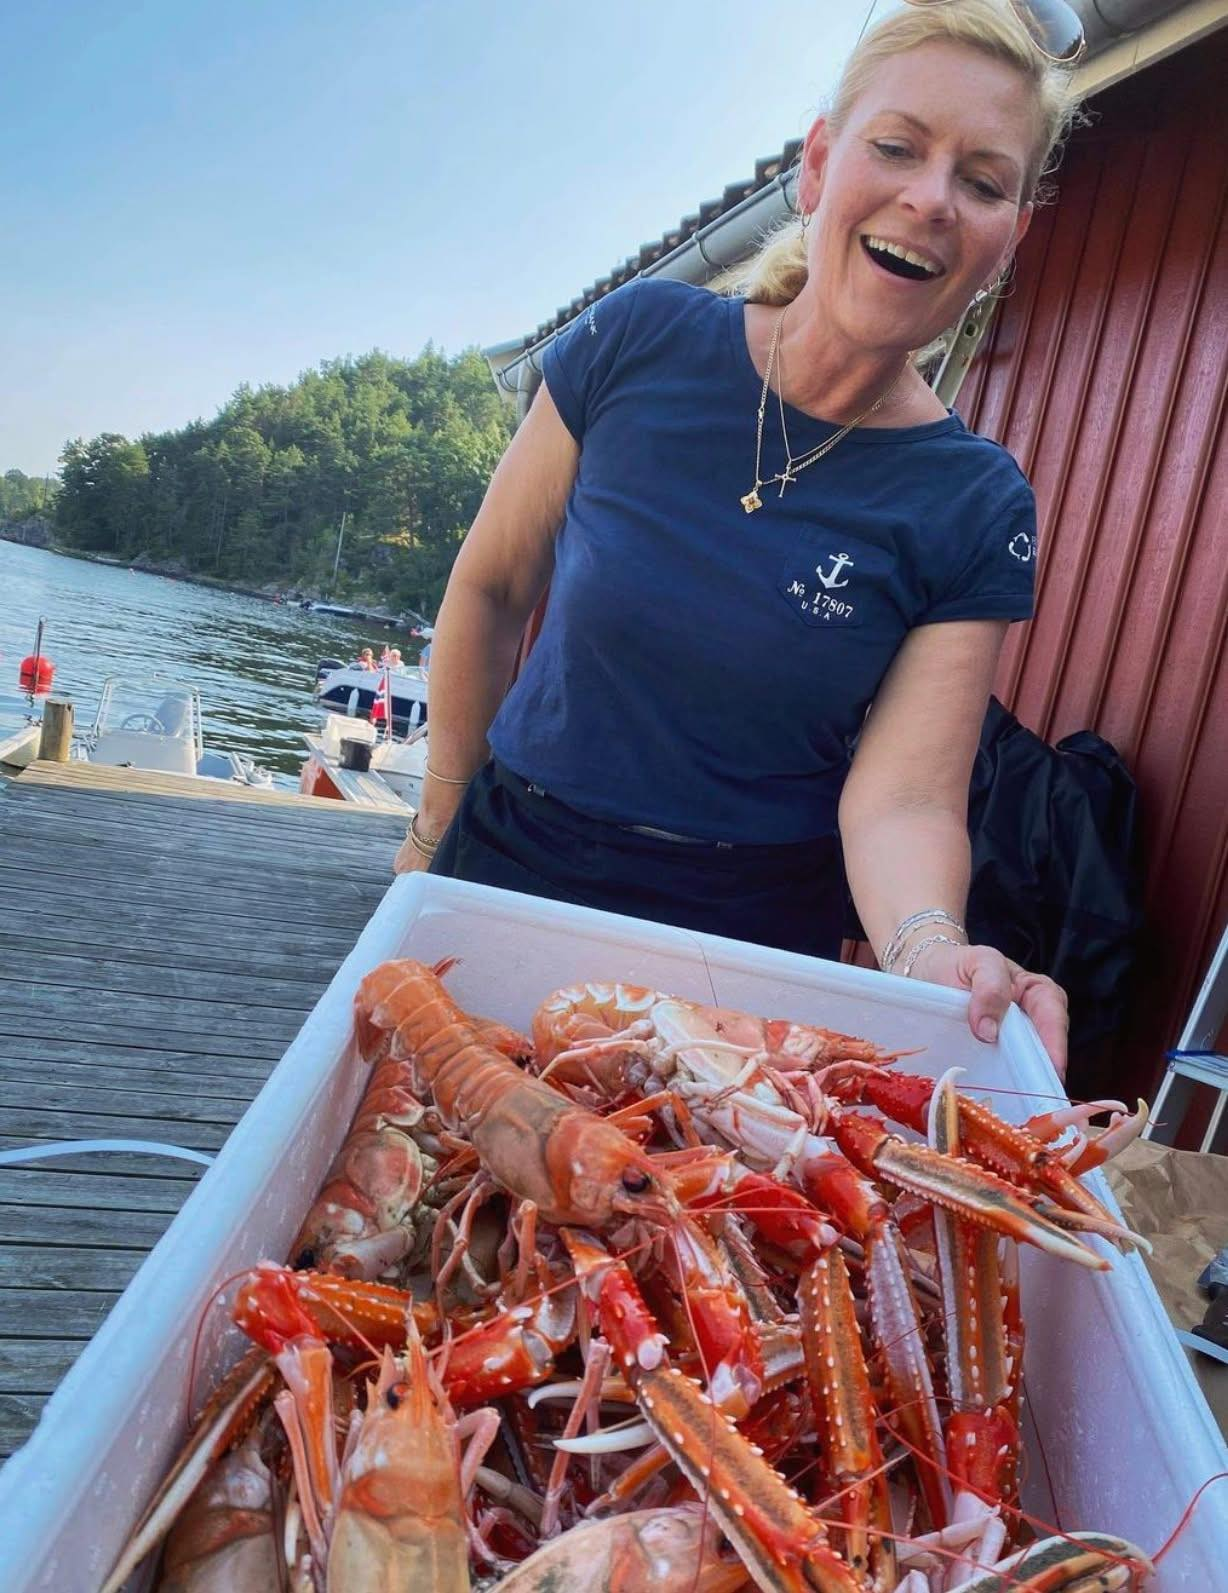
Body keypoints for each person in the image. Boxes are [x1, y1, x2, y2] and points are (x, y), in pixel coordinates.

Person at [394, 0, 1078, 1075]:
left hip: (746, 956)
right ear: (817, 165)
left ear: (1008, 238)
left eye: (982, 182)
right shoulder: (636, 340)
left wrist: (928, 947)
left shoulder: (976, 502)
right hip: (509, 868)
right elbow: (489, 591)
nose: (930, 199)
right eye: (895, 148)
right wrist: (432, 834)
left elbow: (902, 798)